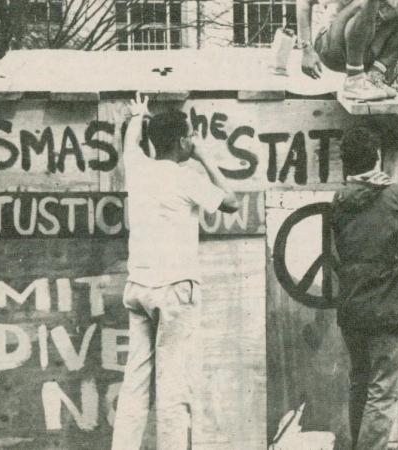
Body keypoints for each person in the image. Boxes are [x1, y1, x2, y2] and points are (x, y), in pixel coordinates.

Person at [111, 94, 239, 450]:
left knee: (135, 384)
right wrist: (205, 158)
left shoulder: (138, 167)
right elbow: (231, 201)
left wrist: (139, 116)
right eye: (190, 137)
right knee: (173, 388)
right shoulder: (186, 178)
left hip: (138, 286)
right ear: (183, 141)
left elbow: (130, 141)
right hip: (174, 291)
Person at [331, 126, 398, 449]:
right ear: (377, 157)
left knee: (360, 382)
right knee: (383, 387)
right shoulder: (397, 195)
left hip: (352, 303)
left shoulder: (340, 198)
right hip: (388, 304)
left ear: (346, 163)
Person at [297, 0, 398, 114]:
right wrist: (307, 50)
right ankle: (354, 80)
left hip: (366, 54)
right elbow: (303, 2)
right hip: (331, 49)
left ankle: (373, 76)